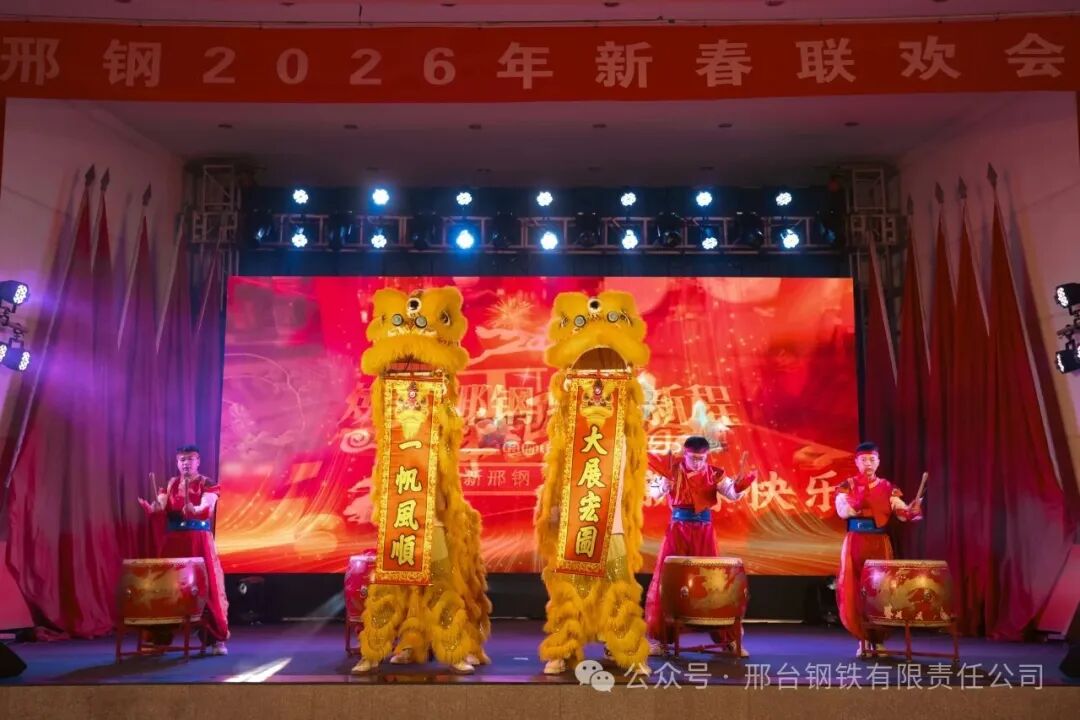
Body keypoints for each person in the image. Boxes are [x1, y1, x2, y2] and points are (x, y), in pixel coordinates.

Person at [643, 436, 757, 656]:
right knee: (668, 580)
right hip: (677, 530)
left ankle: (728, 640)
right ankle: (659, 640)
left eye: (701, 459)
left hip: (704, 531)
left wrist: (742, 483)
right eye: (693, 458)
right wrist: (665, 484)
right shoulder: (672, 469)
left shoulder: (714, 473)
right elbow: (653, 493)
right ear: (685, 454)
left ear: (707, 456)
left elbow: (732, 493)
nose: (697, 463)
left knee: (713, 582)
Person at [834, 441, 923, 658]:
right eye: (864, 460)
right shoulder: (847, 486)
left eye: (872, 459)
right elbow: (843, 512)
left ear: (878, 462)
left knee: (881, 591)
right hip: (856, 542)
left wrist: (911, 510)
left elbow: (902, 513)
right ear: (856, 462)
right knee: (856, 591)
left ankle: (879, 640)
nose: (868, 463)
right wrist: (856, 501)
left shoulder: (887, 487)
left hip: (879, 542)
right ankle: (863, 640)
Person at [138, 445, 230, 655]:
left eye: (190, 459)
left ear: (198, 461)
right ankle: (160, 640)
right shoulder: (170, 484)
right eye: (182, 460)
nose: (186, 463)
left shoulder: (207, 483)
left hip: (198, 542)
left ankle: (215, 639)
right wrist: (154, 508)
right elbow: (161, 505)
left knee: (206, 587)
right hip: (174, 542)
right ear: (177, 463)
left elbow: (208, 506)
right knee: (167, 588)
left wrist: (195, 509)